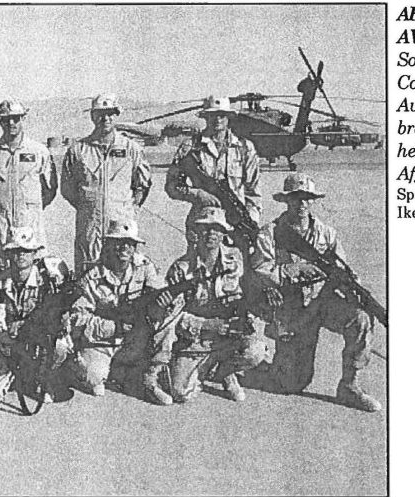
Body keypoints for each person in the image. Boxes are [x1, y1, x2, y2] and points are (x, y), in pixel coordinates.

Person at [252, 173, 382, 412]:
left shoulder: (326, 233)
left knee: (360, 318)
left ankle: (349, 387)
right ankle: (259, 362)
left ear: (312, 201)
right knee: (291, 384)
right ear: (286, 200)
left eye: (306, 199)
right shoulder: (271, 233)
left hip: (323, 301)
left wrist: (354, 288)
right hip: (292, 307)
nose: (301, 204)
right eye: (296, 198)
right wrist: (294, 270)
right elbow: (260, 270)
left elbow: (343, 268)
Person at [146, 207, 268, 406]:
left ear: (223, 233)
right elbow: (172, 318)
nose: (211, 234)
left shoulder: (235, 260)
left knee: (256, 351)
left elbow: (248, 295)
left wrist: (248, 316)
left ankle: (227, 372)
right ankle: (205, 368)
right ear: (196, 232)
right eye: (206, 228)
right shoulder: (182, 268)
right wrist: (207, 325)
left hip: (229, 335)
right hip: (195, 340)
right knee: (180, 393)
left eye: (216, 229)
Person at [63, 218, 168, 398]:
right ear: (109, 245)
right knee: (94, 381)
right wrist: (113, 326)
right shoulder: (92, 276)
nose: (124, 248)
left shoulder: (145, 267)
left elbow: (159, 296)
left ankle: (151, 375)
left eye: (130, 244)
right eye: (118, 243)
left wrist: (161, 305)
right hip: (102, 341)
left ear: (135, 247)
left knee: (169, 315)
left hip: (134, 340)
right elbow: (77, 318)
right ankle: (82, 369)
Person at [0, 226, 72, 407]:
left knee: (59, 344)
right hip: (8, 348)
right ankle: (15, 378)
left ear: (34, 254)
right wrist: (14, 336)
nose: (21, 255)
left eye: (26, 251)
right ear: (9, 254)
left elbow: (60, 321)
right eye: (16, 251)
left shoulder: (47, 284)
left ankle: (42, 377)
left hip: (37, 345)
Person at [60, 93, 152, 273]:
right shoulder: (79, 150)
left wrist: (129, 208)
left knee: (121, 273)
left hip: (120, 227)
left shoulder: (130, 149)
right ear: (92, 116)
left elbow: (142, 185)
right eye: (100, 113)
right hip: (90, 227)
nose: (106, 118)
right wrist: (89, 207)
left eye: (110, 113)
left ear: (116, 115)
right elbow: (67, 188)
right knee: (87, 274)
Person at [165, 95, 261, 252]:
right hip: (201, 223)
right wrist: (198, 194)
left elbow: (253, 192)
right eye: (212, 115)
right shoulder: (190, 147)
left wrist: (250, 221)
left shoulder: (244, 148)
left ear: (229, 117)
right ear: (205, 117)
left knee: (234, 271)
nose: (217, 120)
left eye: (222, 115)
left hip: (234, 224)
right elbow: (172, 186)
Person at [0, 100, 58, 279]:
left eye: (15, 119)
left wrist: (30, 208)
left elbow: (50, 189)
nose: (11, 123)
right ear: (0, 121)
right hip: (2, 226)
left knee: (35, 275)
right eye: (6, 120)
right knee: (1, 275)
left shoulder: (39, 152)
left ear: (23, 119)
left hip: (30, 223)